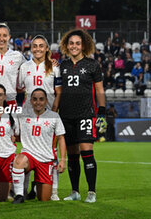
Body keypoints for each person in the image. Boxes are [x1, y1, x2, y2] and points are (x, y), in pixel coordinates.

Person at [59, 29, 106, 203]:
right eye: (71, 43)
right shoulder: (61, 66)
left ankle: (91, 192)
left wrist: (101, 112)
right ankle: (75, 191)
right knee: (72, 156)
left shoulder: (93, 64)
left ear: (83, 45)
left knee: (87, 153)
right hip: (66, 115)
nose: (74, 46)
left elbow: (100, 90)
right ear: (66, 45)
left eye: (77, 43)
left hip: (85, 114)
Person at [17, 34, 62, 201]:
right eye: (34, 45)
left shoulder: (54, 67)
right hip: (28, 115)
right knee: (27, 149)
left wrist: (54, 111)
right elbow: (20, 90)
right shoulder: (24, 67)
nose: (37, 48)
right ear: (31, 48)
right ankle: (23, 190)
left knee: (52, 152)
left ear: (47, 49)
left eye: (41, 46)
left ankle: (54, 191)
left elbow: (59, 93)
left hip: (48, 114)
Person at [12, 88, 66, 203]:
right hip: (29, 155)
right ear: (30, 101)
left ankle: (36, 186)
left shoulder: (54, 116)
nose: (38, 102)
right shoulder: (22, 113)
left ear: (46, 101)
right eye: (35, 99)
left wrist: (62, 160)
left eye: (41, 99)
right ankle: (19, 195)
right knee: (18, 160)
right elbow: (5, 110)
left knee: (44, 199)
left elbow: (61, 138)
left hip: (46, 159)